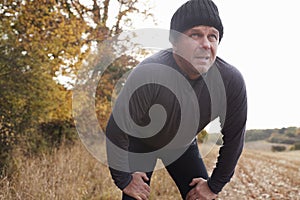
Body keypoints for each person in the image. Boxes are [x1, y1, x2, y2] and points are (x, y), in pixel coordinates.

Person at [105, 0, 247, 199]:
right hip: (140, 141)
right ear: (175, 41)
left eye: (212, 36)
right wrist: (124, 180)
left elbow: (234, 139)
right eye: (195, 35)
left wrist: (213, 186)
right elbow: (116, 128)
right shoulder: (150, 72)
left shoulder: (230, 81)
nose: (206, 44)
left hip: (183, 146)